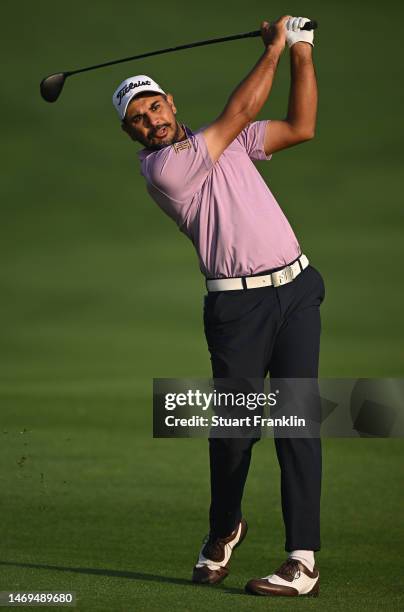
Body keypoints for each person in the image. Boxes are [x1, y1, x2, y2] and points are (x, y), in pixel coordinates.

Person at [113, 15, 324, 598]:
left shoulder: (226, 144)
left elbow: (301, 127)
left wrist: (303, 51)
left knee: (296, 422)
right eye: (137, 119)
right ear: (130, 134)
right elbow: (237, 115)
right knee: (234, 433)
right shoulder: (163, 170)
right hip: (238, 312)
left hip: (298, 290)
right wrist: (275, 47)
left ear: (170, 103)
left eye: (153, 106)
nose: (150, 121)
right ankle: (224, 528)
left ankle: (302, 560)